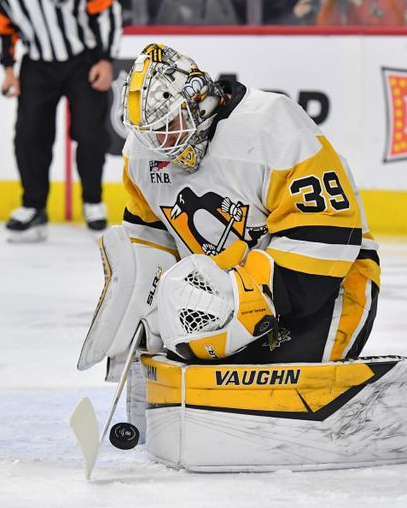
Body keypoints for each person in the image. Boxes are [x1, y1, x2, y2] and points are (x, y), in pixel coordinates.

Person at [120, 43, 380, 365]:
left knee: (277, 378)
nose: (161, 144)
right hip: (227, 298)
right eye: (151, 133)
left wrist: (249, 299)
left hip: (327, 285)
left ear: (198, 99)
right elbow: (148, 241)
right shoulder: (142, 156)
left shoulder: (272, 125)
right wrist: (150, 311)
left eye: (168, 126)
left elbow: (328, 233)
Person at [0, 0, 123, 241]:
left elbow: (107, 8)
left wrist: (106, 59)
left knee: (90, 133)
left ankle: (93, 202)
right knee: (29, 136)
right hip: (37, 63)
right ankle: (34, 207)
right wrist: (8, 69)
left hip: (83, 60)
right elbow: (3, 24)